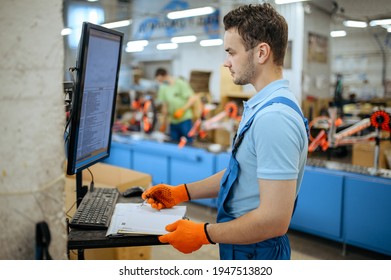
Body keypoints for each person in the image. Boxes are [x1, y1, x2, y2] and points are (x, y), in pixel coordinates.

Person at [143, 3, 309, 260]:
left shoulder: (274, 117)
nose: (225, 62)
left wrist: (203, 233)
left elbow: (274, 220)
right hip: (244, 243)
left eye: (231, 52)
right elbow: (241, 172)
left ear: (261, 52)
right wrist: (181, 193)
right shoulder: (263, 105)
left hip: (257, 251)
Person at [155, 68, 197, 144]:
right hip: (173, 120)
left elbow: (192, 99)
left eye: (161, 80)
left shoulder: (180, 83)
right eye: (159, 81)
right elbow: (165, 105)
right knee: (174, 142)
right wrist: (164, 122)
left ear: (165, 76)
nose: (161, 83)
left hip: (184, 119)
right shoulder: (163, 88)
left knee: (187, 141)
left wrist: (182, 110)